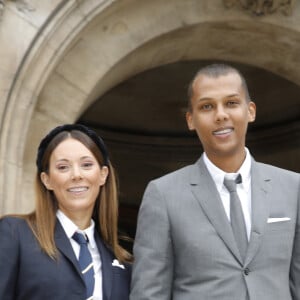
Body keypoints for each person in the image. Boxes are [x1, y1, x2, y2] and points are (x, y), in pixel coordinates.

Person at [130, 63, 300, 300]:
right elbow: (149, 294)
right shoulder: (163, 194)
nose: (221, 115)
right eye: (207, 106)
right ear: (191, 119)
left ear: (250, 111)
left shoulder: (293, 188)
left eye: (231, 103)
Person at [0, 124, 132, 300]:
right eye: (63, 167)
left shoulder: (121, 260)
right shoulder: (15, 233)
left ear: (103, 174)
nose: (76, 175)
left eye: (86, 164)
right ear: (46, 180)